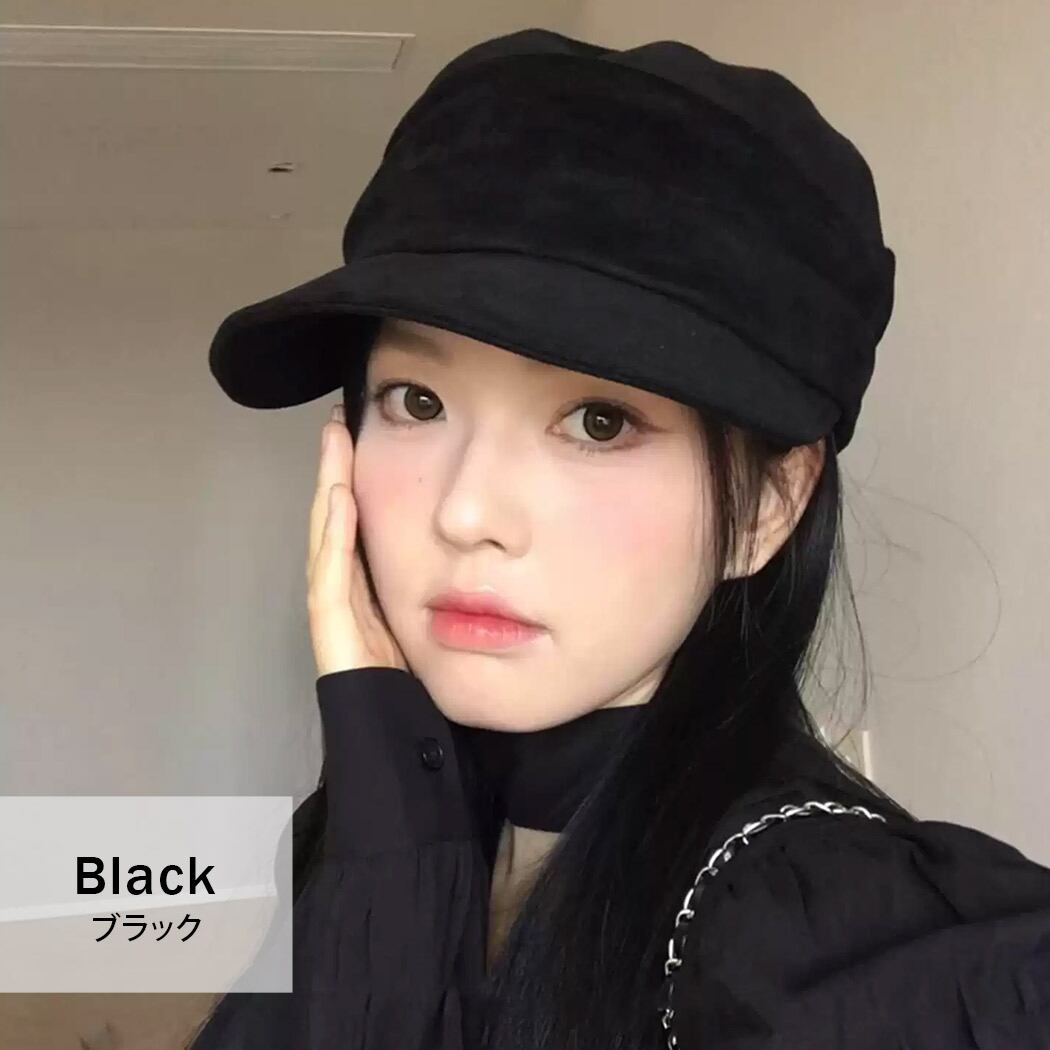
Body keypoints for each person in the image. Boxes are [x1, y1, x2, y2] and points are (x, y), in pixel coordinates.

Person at [187, 26, 1050, 1050]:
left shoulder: (829, 939)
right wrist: (389, 833)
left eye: (599, 422)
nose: (466, 513)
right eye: (417, 400)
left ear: (768, 508)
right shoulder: (370, 825)